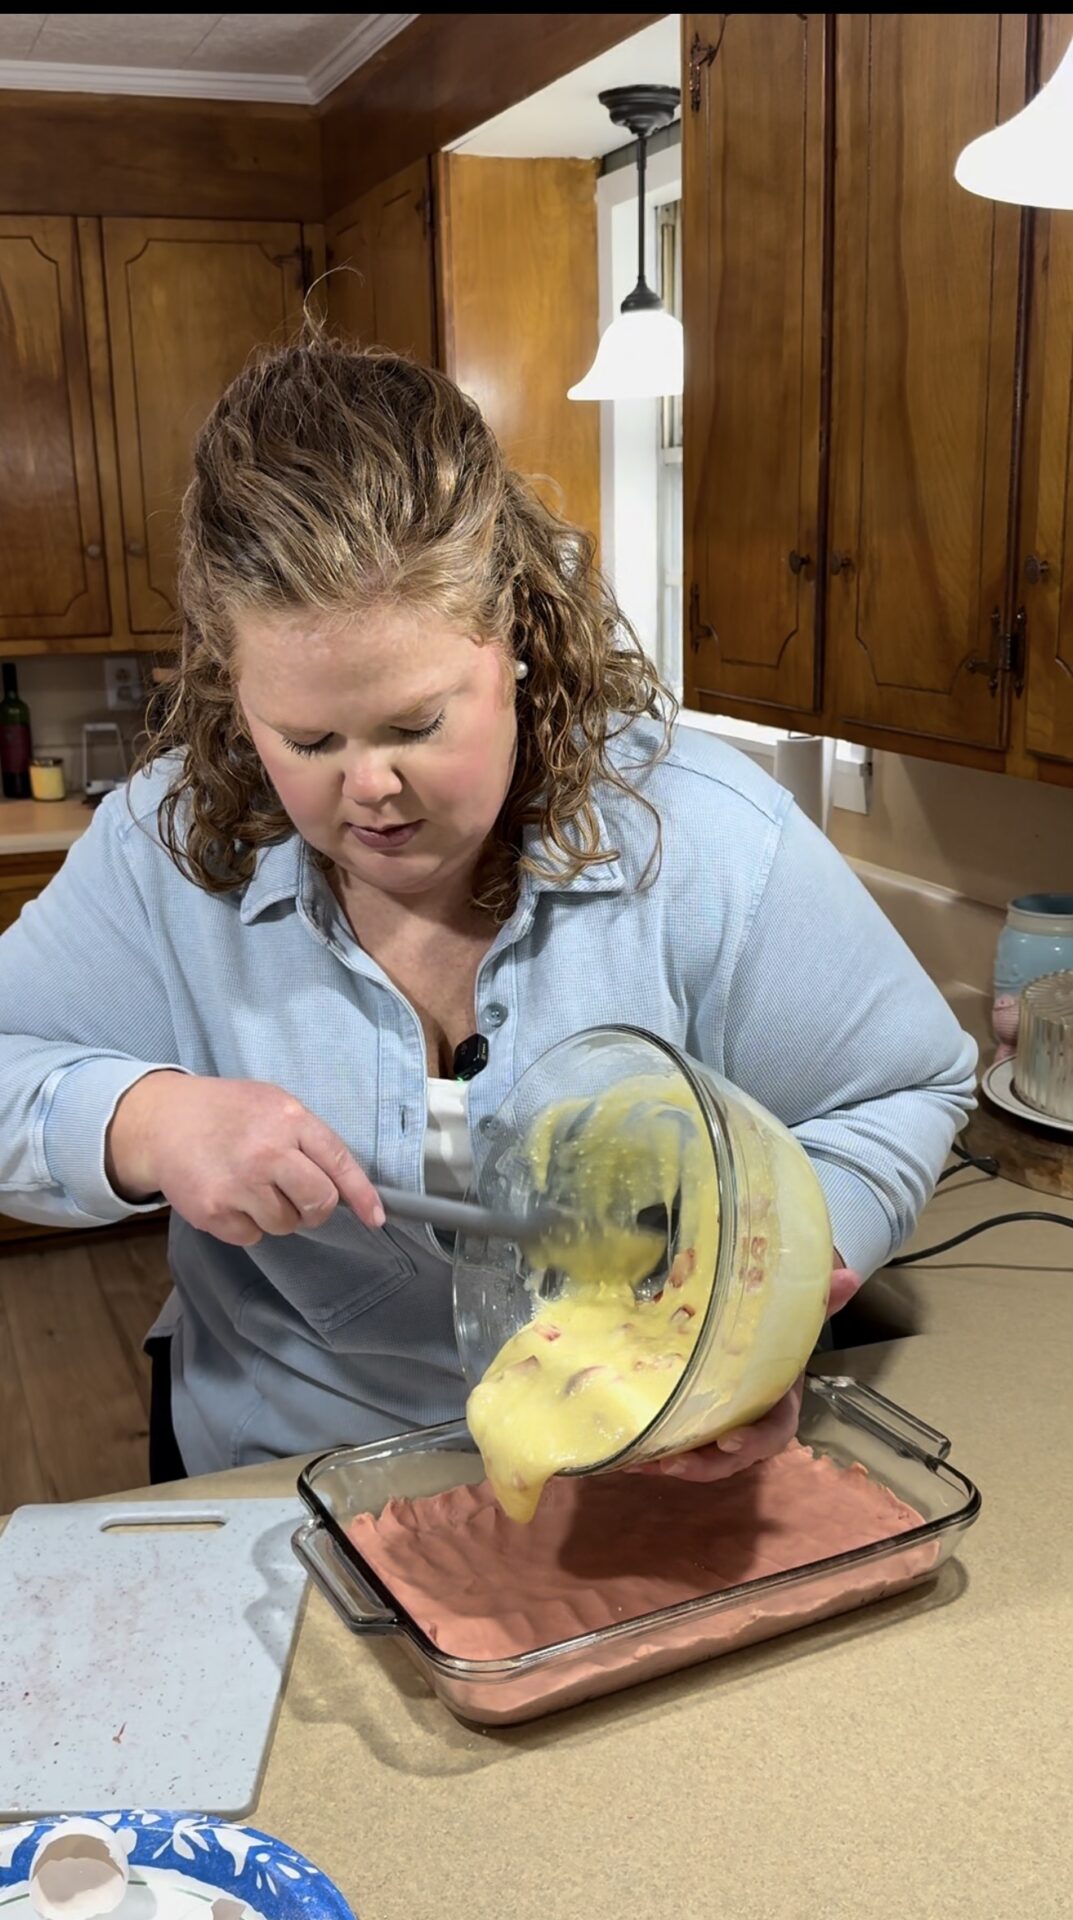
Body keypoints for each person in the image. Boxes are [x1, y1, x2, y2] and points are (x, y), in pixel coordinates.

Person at [0, 335, 976, 1485]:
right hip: (287, 1473)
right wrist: (146, 1123)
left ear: (512, 637)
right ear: (228, 680)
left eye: (417, 723)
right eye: (307, 739)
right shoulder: (165, 848)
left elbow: (901, 1090)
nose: (367, 787)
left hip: (626, 1474)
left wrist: (752, 1326)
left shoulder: (708, 840)